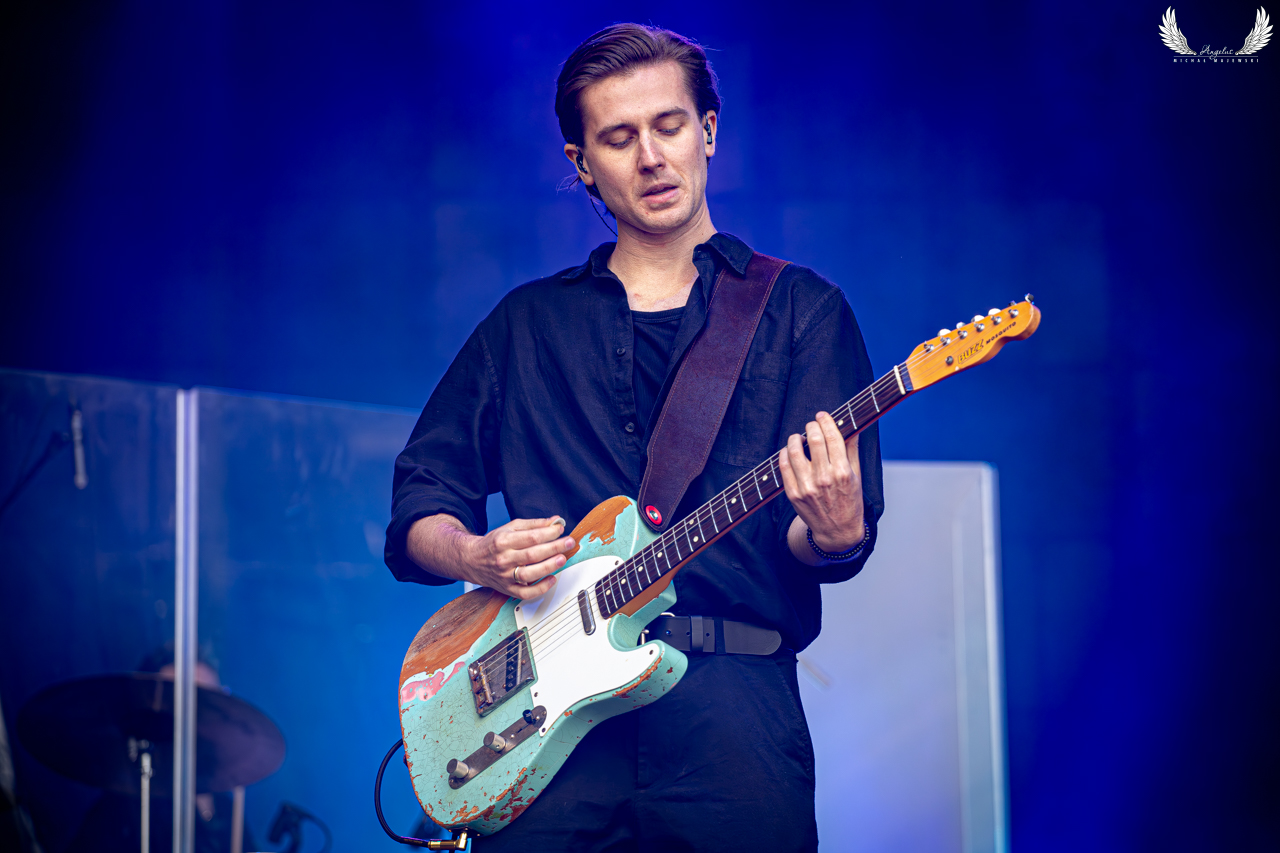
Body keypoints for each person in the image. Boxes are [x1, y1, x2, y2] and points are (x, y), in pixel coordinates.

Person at [385, 23, 884, 852]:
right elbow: (419, 502)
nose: (651, 157)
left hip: (733, 722)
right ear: (582, 163)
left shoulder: (801, 312)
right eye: (619, 138)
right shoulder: (525, 324)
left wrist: (836, 530)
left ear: (708, 132)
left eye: (670, 126)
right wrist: (474, 554)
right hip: (545, 723)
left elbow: (817, 539)